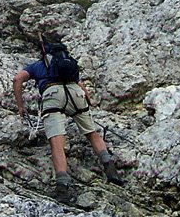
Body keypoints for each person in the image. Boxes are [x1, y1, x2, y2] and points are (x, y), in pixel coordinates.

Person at [13, 32, 123, 203]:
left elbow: (18, 79)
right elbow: (82, 88)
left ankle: (63, 186)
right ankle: (110, 168)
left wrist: (20, 106)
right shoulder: (68, 67)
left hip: (53, 94)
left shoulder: (39, 65)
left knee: (57, 143)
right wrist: (87, 102)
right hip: (75, 93)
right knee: (92, 133)